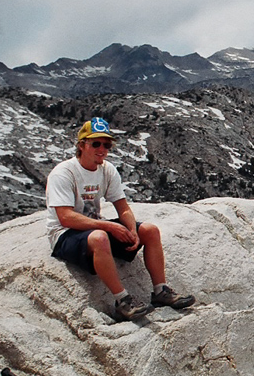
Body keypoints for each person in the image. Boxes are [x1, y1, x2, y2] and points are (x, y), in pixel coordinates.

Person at [46, 117, 195, 321]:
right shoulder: (64, 173)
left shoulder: (106, 170)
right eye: (95, 143)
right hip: (65, 234)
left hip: (93, 227)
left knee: (150, 231)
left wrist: (132, 230)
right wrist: (108, 226)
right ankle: (122, 301)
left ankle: (161, 291)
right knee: (100, 238)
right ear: (81, 145)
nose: (102, 149)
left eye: (106, 144)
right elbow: (65, 217)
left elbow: (122, 207)